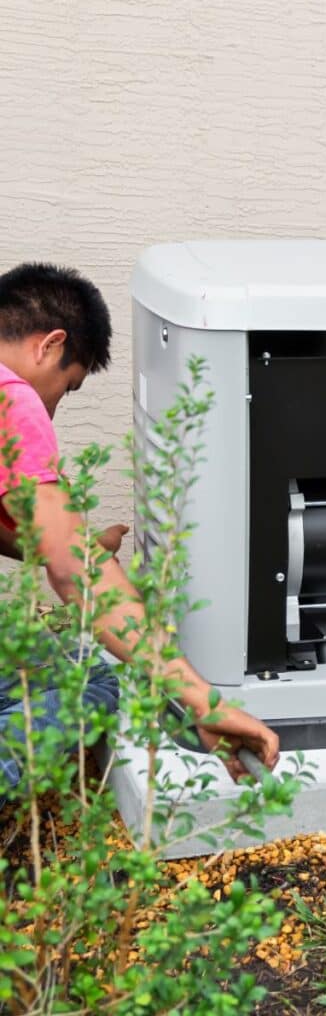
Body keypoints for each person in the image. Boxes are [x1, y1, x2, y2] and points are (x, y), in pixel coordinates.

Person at [0, 262, 279, 796]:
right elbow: (79, 580)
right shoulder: (12, 400)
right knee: (93, 681)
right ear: (49, 345)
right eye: (68, 387)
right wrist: (204, 699)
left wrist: (64, 546)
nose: (53, 409)